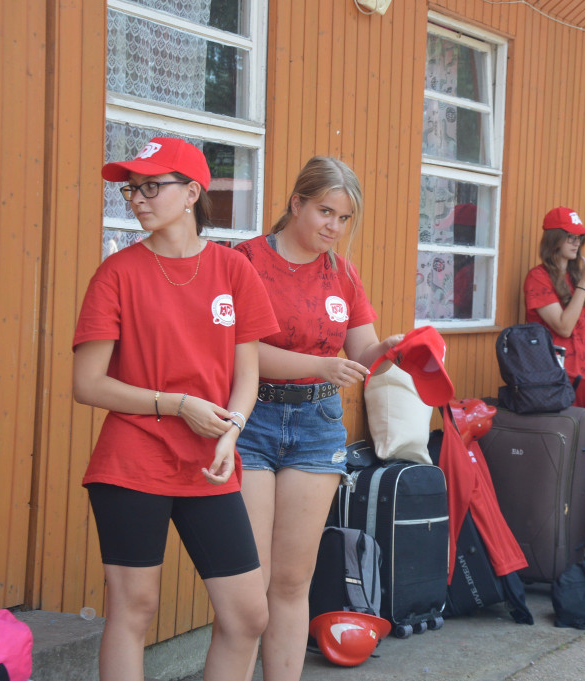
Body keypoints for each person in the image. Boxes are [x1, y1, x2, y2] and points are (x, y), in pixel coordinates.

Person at [73, 137, 278, 680]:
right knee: (134, 608)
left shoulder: (235, 271)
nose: (136, 199)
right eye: (130, 189)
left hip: (210, 463)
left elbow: (247, 373)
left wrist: (231, 430)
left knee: (248, 614)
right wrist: (178, 405)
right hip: (132, 463)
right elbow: (88, 384)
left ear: (191, 193)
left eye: (150, 187)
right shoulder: (115, 275)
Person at [234, 156, 403, 681]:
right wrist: (322, 365)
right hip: (251, 419)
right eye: (324, 211)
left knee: (290, 581)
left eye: (344, 218)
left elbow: (363, 352)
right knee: (249, 587)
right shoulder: (246, 261)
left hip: (317, 424)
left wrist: (395, 349)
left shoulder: (343, 273)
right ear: (295, 204)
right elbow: (239, 352)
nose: (333, 226)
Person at [524, 206, 585, 545]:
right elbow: (561, 324)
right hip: (557, 379)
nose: (576, 243)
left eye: (580, 237)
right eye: (570, 236)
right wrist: (584, 286)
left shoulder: (579, 278)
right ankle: (565, 531)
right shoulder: (538, 277)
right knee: (567, 453)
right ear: (554, 239)